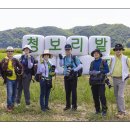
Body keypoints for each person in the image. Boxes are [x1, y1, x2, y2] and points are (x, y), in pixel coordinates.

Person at [59, 44, 83, 111]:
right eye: (66, 50)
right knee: (67, 92)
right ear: (65, 50)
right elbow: (61, 65)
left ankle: (74, 106)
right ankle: (68, 106)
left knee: (74, 92)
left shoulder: (74, 57)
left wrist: (74, 70)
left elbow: (80, 65)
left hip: (73, 77)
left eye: (69, 50)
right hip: (66, 77)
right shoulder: (64, 58)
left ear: (71, 50)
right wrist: (60, 59)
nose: (67, 51)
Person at [110, 43, 130, 118]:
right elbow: (109, 67)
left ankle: (122, 112)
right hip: (114, 78)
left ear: (122, 50)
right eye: (117, 49)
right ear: (115, 51)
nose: (118, 51)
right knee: (116, 95)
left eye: (119, 49)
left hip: (123, 79)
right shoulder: (112, 58)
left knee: (120, 95)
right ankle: (119, 111)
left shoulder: (126, 58)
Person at [0, 46, 23, 112]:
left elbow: (21, 66)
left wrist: (20, 73)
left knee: (14, 93)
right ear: (6, 52)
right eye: (8, 51)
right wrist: (3, 75)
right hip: (8, 79)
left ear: (13, 52)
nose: (10, 52)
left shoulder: (15, 59)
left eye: (11, 51)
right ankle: (9, 106)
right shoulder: (4, 60)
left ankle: (12, 105)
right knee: (9, 93)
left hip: (16, 79)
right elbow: (1, 69)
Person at [89, 49, 109, 116]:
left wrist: (100, 72)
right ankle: (97, 110)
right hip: (93, 82)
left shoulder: (103, 61)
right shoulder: (92, 63)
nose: (96, 54)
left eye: (97, 53)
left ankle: (104, 110)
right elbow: (90, 71)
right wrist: (92, 72)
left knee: (102, 96)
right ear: (93, 55)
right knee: (95, 96)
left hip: (101, 82)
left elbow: (107, 70)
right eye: (94, 53)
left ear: (100, 54)